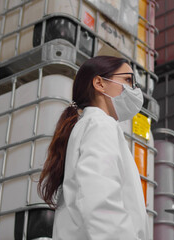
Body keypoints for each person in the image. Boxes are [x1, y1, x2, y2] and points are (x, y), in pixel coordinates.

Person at [38, 56, 149, 239]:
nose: (134, 90)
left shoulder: (91, 125)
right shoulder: (100, 124)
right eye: (128, 80)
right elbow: (101, 200)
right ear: (99, 83)